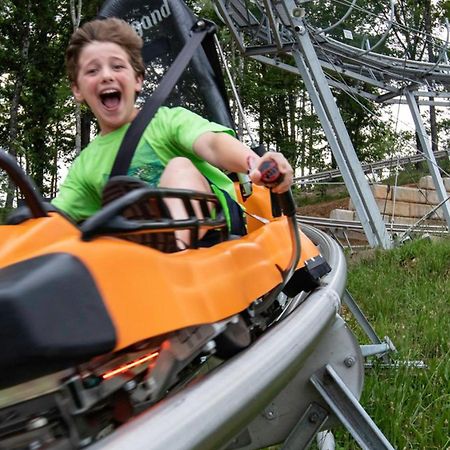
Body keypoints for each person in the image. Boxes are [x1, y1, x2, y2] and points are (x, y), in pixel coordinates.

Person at [52, 17, 293, 248]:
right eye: (92, 71)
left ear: (138, 79)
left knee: (179, 167)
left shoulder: (166, 121)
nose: (106, 75)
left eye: (117, 66)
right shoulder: (85, 165)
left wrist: (254, 163)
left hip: (213, 233)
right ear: (78, 89)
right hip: (135, 249)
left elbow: (213, 144)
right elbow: (56, 218)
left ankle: (172, 249)